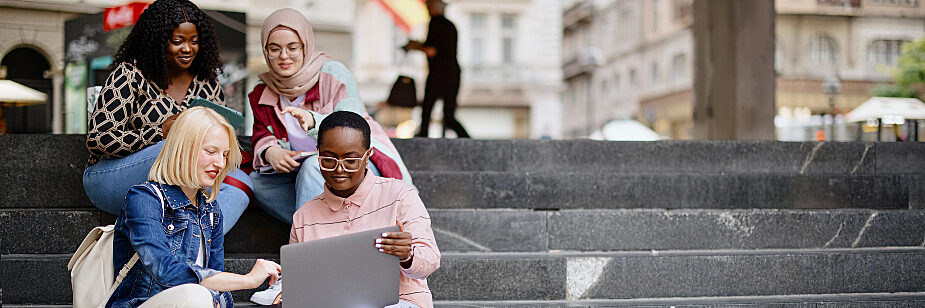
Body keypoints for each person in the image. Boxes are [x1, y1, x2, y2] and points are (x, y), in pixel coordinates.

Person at [83, 0, 253, 235]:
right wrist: (159, 133)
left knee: (241, 184)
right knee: (182, 146)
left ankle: (192, 241)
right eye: (177, 41)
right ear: (158, 40)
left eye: (194, 41)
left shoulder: (208, 84)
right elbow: (98, 139)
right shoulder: (130, 74)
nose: (187, 48)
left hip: (184, 179)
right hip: (111, 178)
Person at [248, 8, 413, 225]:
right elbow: (261, 131)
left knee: (312, 167)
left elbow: (353, 128)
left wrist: (314, 121)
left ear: (305, 46)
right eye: (274, 48)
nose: (284, 56)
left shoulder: (333, 73)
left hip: (352, 164)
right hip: (300, 173)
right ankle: (337, 224)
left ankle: (310, 242)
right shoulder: (263, 90)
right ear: (265, 50)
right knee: (255, 183)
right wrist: (270, 152)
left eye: (292, 47)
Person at [106, 107, 280, 308]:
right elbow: (164, 270)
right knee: (195, 295)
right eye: (211, 151)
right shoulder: (144, 199)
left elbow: (215, 286)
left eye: (224, 154)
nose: (220, 163)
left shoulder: (211, 210)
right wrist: (247, 280)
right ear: (182, 148)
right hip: (141, 303)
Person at [272, 111, 439, 307]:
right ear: (318, 153)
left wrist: (407, 256)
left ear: (368, 156)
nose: (339, 169)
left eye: (351, 160)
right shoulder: (304, 216)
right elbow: (303, 282)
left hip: (401, 302)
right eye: (328, 159)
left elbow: (430, 261)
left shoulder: (401, 195)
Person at [403, 0, 469, 138]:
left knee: (427, 112)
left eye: (429, 6)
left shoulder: (435, 23)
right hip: (452, 74)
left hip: (440, 74)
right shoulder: (450, 26)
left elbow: (431, 50)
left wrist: (414, 46)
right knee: (449, 116)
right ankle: (469, 141)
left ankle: (423, 141)